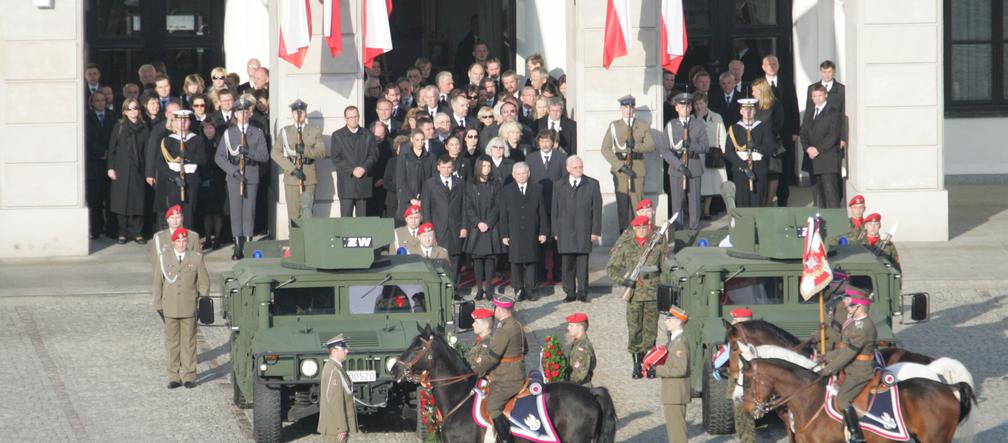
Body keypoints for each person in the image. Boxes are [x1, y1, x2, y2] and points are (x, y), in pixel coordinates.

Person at [608, 215, 669, 379]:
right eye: (638, 228)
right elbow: (611, 268)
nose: (642, 230)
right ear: (634, 229)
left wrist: (663, 289)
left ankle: (649, 364)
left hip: (652, 293)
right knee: (635, 329)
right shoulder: (626, 246)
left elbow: (664, 269)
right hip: (634, 294)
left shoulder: (656, 244)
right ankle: (636, 364)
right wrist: (624, 281)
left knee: (651, 330)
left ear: (648, 227)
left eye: (644, 227)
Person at [152, 227, 209, 389]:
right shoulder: (164, 258)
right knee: (172, 342)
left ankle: (189, 375)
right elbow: (158, 282)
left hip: (188, 306)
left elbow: (204, 281)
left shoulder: (195, 258)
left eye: (184, 240)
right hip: (169, 306)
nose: (182, 243)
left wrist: (203, 301)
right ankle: (174, 375)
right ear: (173, 242)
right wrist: (158, 304)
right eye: (178, 241)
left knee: (189, 342)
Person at [816, 288, 875, 443]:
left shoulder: (863, 327)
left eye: (851, 305)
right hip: (851, 367)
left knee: (843, 399)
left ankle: (856, 435)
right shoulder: (855, 324)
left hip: (860, 371)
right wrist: (827, 357)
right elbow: (844, 349)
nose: (848, 307)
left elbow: (849, 353)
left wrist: (827, 370)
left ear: (860, 307)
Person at [215, 97, 269, 260]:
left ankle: (249, 243)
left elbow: (264, 156)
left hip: (251, 174)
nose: (243, 115)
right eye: (240, 112)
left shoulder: (257, 133)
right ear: (235, 114)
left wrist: (249, 152)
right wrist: (233, 172)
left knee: (249, 211)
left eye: (246, 112)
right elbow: (219, 157)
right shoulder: (228, 134)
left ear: (250, 114)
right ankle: (238, 245)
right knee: (236, 211)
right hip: (234, 176)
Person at [472, 295, 528, 443]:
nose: (494, 310)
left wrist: (476, 371)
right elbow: (526, 349)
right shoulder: (517, 325)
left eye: (495, 307)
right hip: (516, 372)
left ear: (501, 309)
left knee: (492, 405)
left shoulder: (504, 330)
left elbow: (492, 358)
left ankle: (505, 439)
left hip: (508, 378)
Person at [601, 95, 656, 232]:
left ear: (634, 108)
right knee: (622, 205)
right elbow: (605, 149)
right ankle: (624, 236)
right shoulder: (614, 126)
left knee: (638, 205)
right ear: (621, 108)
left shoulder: (642, 125)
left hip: (637, 169)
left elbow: (651, 146)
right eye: (625, 107)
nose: (628, 110)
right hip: (621, 170)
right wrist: (620, 166)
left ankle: (639, 234)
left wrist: (635, 146)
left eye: (631, 107)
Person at [553, 156, 602, 303]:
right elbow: (554, 209)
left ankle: (582, 292)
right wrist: (555, 231)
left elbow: (597, 210)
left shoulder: (592, 184)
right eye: (575, 167)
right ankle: (570, 292)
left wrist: (595, 231)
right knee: (567, 264)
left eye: (580, 167)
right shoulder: (559, 184)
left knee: (582, 264)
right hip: (565, 230)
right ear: (568, 168)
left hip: (584, 229)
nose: (579, 170)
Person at [149, 110, 206, 231]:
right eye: (179, 120)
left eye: (185, 120)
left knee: (189, 212)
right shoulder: (167, 140)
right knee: (175, 212)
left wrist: (187, 156)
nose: (182, 123)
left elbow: (202, 159)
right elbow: (160, 162)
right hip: (174, 181)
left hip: (191, 180)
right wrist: (173, 176)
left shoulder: (197, 139)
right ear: (174, 122)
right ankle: (176, 237)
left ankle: (188, 237)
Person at [500, 162, 548, 302]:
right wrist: (504, 234)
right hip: (514, 231)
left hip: (532, 230)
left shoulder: (537, 188)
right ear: (514, 175)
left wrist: (543, 231)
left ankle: (530, 289)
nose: (521, 176)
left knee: (531, 261)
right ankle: (518, 289)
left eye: (524, 173)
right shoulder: (507, 190)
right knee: (515, 261)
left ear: (529, 174)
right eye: (518, 174)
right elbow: (503, 214)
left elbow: (542, 211)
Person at [272, 99, 326, 222]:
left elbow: (321, 152)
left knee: (307, 212)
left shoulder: (314, 131)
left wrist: (305, 150)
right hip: (292, 177)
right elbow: (275, 153)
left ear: (305, 113)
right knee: (293, 214)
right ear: (292, 114)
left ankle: (307, 235)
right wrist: (292, 169)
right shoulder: (285, 131)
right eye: (296, 112)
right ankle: (295, 235)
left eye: (301, 112)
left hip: (308, 176)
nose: (299, 114)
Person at [107, 98, 151, 244]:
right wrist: (110, 168)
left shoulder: (144, 128)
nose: (133, 111)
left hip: (138, 169)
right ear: (125, 111)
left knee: (138, 201)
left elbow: (147, 151)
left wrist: (148, 171)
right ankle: (122, 232)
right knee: (121, 202)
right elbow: (112, 148)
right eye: (130, 109)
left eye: (136, 108)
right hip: (121, 169)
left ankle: (137, 232)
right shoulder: (119, 126)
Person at [662, 93, 709, 230]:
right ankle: (678, 231)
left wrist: (691, 146)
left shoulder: (698, 124)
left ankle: (694, 229)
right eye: (682, 106)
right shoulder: (671, 125)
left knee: (694, 201)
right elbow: (665, 150)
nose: (685, 108)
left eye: (688, 106)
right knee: (677, 202)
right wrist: (679, 166)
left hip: (694, 165)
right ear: (676, 108)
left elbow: (705, 147)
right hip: (677, 167)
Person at [526, 131, 566, 282]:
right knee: (539, 239)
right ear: (538, 143)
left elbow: (564, 180)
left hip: (556, 204)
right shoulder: (531, 158)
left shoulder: (561, 158)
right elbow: (528, 181)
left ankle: (557, 271)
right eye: (542, 141)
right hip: (537, 204)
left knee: (556, 239)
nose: (545, 144)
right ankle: (541, 271)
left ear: (553, 142)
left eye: (548, 141)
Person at [421, 155, 467, 283]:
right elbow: (426, 208)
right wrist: (428, 230)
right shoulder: (430, 184)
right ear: (438, 167)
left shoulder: (460, 183)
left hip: (455, 227)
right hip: (437, 228)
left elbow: (464, 206)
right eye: (443, 167)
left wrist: (464, 227)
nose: (446, 170)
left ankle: (453, 287)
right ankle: (439, 287)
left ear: (453, 168)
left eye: (449, 167)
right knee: (438, 258)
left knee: (454, 258)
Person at [465, 155, 504, 300]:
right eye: (484, 166)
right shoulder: (470, 184)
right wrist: (477, 222)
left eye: (488, 166)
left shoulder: (496, 184)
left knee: (490, 258)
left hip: (491, 226)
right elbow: (468, 206)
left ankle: (489, 288)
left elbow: (498, 205)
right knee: (477, 259)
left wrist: (488, 222)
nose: (486, 169)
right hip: (476, 227)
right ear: (478, 167)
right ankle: (479, 289)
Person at [724, 98, 774, 207]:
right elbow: (728, 152)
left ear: (755, 111)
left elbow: (770, 148)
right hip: (740, 171)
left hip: (759, 169)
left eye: (751, 109)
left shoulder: (763, 127)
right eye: (745, 109)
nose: (748, 112)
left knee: (759, 202)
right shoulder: (734, 129)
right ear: (741, 111)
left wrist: (755, 146)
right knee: (742, 202)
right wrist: (744, 168)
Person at [800, 84, 844, 209]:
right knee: (819, 197)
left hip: (827, 159)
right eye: (814, 96)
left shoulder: (833, 112)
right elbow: (803, 133)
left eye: (820, 95)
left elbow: (833, 136)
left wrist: (817, 149)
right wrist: (808, 148)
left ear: (825, 95)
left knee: (831, 195)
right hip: (812, 160)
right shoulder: (810, 112)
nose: (817, 98)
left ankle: (834, 220)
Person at [331, 106, 378, 217]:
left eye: (355, 116)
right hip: (346, 183)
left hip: (363, 182)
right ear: (346, 119)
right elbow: (336, 158)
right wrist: (352, 170)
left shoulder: (368, 134)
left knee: (362, 220)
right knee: (346, 219)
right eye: (350, 117)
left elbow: (373, 155)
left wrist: (364, 168)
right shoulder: (338, 135)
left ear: (359, 117)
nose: (353, 120)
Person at [655, 305, 690, 443]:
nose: (666, 322)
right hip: (673, 394)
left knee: (677, 434)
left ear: (678, 321)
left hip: (676, 394)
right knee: (673, 431)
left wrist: (657, 370)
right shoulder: (674, 341)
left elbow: (679, 370)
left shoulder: (680, 343)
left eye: (669, 319)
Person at [318, 334, 358, 442]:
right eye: (344, 348)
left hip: (334, 427)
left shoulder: (335, 368)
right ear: (334, 351)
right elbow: (334, 401)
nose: (347, 351)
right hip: (335, 429)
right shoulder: (333, 370)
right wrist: (341, 427)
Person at [87, 91, 115, 239]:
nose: (100, 103)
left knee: (110, 199)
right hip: (94, 164)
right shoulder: (87, 117)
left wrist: (109, 153)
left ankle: (111, 230)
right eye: (97, 100)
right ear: (92, 103)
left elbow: (115, 136)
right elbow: (87, 138)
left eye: (102, 100)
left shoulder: (112, 116)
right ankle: (95, 229)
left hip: (110, 163)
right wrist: (100, 152)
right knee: (95, 201)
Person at [694, 93, 727, 219]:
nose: (699, 107)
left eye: (701, 103)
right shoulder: (691, 118)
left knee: (711, 184)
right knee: (698, 185)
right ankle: (697, 210)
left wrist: (723, 152)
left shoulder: (716, 117)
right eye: (696, 104)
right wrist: (698, 119)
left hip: (713, 154)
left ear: (706, 103)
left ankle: (706, 210)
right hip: (697, 155)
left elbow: (722, 136)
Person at [725, 307, 756, 443]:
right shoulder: (737, 336)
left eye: (735, 319)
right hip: (736, 381)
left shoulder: (750, 339)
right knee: (739, 418)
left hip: (746, 383)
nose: (732, 322)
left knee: (746, 418)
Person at [395, 130, 433, 223]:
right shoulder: (404, 157)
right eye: (417, 140)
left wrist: (424, 199)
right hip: (407, 199)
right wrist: (411, 198)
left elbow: (432, 179)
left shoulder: (431, 157)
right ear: (412, 140)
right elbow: (401, 179)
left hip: (425, 199)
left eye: (422, 140)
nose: (420, 142)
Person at [565, 312, 596, 387]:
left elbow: (579, 375)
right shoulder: (577, 342)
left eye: (571, 325)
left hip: (580, 388)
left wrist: (565, 386)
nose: (568, 328)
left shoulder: (582, 348)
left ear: (580, 327)